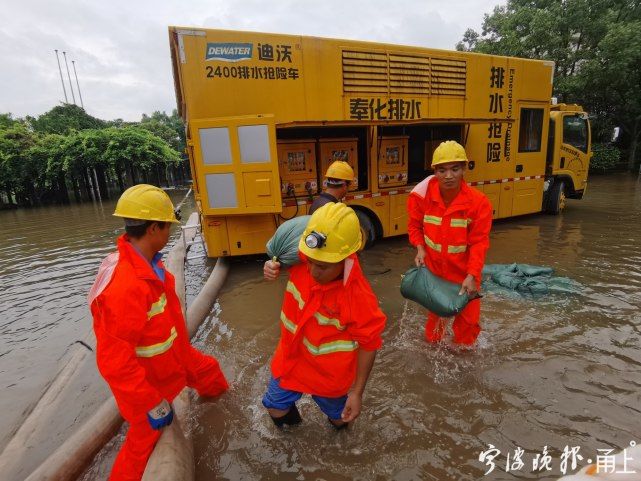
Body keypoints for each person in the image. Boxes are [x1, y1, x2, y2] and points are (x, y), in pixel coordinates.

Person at [88, 184, 228, 481]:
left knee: (212, 373)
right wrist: (151, 403)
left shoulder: (148, 264)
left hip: (176, 358)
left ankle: (220, 417)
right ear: (153, 229)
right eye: (167, 227)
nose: (169, 234)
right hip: (150, 381)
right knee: (144, 438)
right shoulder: (125, 286)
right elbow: (115, 363)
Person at [262, 202, 386, 429]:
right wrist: (271, 267)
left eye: (322, 266)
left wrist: (357, 393)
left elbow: (370, 344)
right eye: (309, 262)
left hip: (328, 374)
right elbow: (283, 259)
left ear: (348, 257)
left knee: (341, 419)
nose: (312, 271)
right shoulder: (307, 255)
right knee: (275, 408)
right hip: (291, 359)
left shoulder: (358, 296)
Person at [407, 141, 492, 346]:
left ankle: (465, 368)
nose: (449, 176)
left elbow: (479, 244)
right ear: (434, 171)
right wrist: (419, 248)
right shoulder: (421, 197)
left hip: (465, 277)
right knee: (433, 332)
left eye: (455, 169)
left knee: (467, 331)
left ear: (464, 169)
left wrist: (472, 276)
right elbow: (414, 226)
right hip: (435, 275)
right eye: (442, 170)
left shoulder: (479, 203)